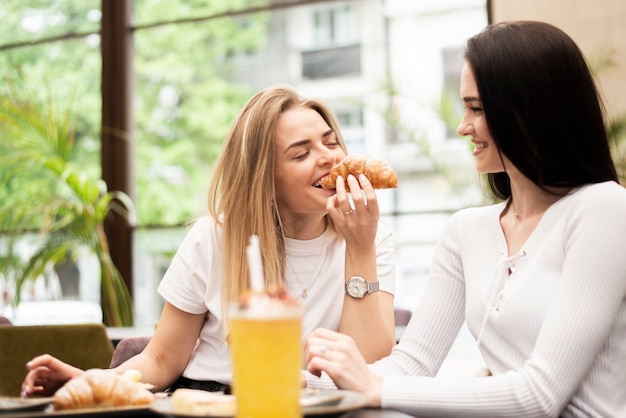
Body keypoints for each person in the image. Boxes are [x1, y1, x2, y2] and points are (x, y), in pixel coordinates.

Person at [304, 20, 626, 418]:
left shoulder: (604, 208)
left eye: (476, 108)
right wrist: (302, 378)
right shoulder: (467, 230)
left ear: (529, 109)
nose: (462, 127)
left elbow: (539, 396)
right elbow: (411, 366)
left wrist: (373, 387)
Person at [21, 85, 397, 397]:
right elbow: (162, 360)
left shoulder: (370, 237)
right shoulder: (213, 238)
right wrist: (90, 382)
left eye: (331, 143)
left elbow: (370, 366)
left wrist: (361, 247)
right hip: (208, 401)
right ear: (264, 179)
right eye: (302, 152)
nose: (329, 159)